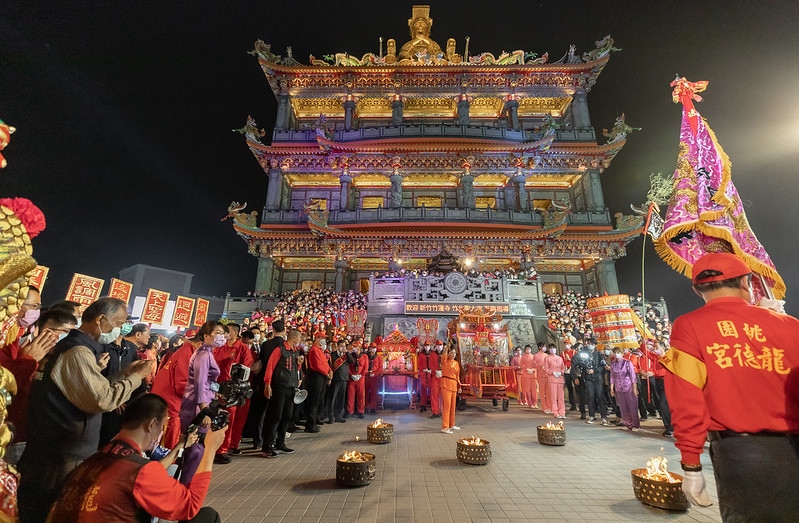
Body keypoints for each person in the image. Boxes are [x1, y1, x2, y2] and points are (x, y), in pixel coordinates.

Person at [660, 252, 799, 518]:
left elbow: (687, 400)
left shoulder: (689, 325)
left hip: (740, 452)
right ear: (746, 282)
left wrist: (691, 465)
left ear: (697, 290)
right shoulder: (791, 325)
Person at [18, 297, 154, 523]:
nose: (119, 329)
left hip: (57, 453)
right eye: (118, 323)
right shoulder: (77, 351)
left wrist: (124, 374)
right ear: (101, 320)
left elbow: (88, 389)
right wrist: (136, 379)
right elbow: (102, 400)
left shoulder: (80, 348)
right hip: (61, 458)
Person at [47, 394, 221, 523]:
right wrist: (210, 450)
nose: (160, 433)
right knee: (207, 517)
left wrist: (178, 448)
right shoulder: (140, 470)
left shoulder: (93, 460)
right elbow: (189, 506)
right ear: (151, 425)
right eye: (162, 426)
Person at [1, 308, 75, 465]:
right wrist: (27, 361)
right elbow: (10, 386)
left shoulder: (63, 357)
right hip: (16, 434)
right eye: (67, 332)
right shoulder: (16, 347)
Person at [178, 321, 223, 482]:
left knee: (196, 448)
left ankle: (186, 483)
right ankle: (184, 485)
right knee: (194, 448)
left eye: (222, 333)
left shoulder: (208, 353)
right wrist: (204, 410)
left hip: (203, 402)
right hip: (196, 406)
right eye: (217, 333)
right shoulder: (203, 355)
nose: (221, 336)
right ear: (206, 336)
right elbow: (199, 382)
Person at [151, 329, 201, 449]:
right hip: (170, 406)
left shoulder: (186, 351)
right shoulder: (187, 354)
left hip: (167, 402)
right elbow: (183, 385)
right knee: (167, 445)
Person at [99, 323, 148, 447]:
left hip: (125, 403)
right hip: (105, 402)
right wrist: (116, 395)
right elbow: (98, 378)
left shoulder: (130, 349)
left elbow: (134, 373)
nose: (126, 325)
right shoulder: (102, 346)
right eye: (121, 322)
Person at [260, 328, 302, 458]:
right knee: (275, 416)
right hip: (279, 387)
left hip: (291, 388)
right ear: (293, 338)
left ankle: (280, 442)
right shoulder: (279, 349)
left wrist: (299, 365)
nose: (300, 340)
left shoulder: (295, 351)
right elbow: (270, 367)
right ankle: (267, 445)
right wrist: (267, 384)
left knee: (286, 416)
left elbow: (294, 368)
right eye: (299, 337)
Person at [249, 320, 285, 449]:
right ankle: (272, 439)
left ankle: (257, 439)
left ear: (273, 330)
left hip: (263, 381)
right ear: (284, 330)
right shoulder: (284, 345)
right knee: (276, 413)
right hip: (279, 382)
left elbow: (262, 362)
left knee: (260, 412)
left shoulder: (266, 345)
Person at [571, 339, 608, 425]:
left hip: (598, 379)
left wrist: (594, 370)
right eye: (588, 344)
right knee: (590, 397)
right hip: (588, 379)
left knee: (600, 397)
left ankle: (604, 417)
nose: (589, 345)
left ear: (595, 345)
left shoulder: (599, 354)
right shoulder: (585, 354)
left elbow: (603, 367)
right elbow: (578, 363)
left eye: (591, 344)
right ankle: (591, 416)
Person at [643, 340, 673, 436]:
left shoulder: (668, 357)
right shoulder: (655, 357)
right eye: (654, 347)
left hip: (666, 382)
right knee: (660, 404)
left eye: (657, 347)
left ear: (663, 347)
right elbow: (644, 351)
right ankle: (668, 426)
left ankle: (670, 427)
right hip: (658, 382)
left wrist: (653, 373)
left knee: (664, 404)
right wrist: (643, 342)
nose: (655, 349)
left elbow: (666, 371)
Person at [304, 333, 331, 433]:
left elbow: (324, 363)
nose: (324, 340)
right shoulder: (314, 350)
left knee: (319, 399)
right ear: (318, 339)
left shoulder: (319, 350)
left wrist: (329, 371)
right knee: (314, 400)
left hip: (322, 376)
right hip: (317, 376)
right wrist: (327, 373)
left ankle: (315, 420)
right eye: (323, 338)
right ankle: (310, 424)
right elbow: (317, 365)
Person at [609, 347, 640, 431]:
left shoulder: (627, 363)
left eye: (618, 352)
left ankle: (635, 424)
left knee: (632, 406)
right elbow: (612, 377)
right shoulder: (613, 364)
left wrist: (635, 388)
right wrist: (611, 389)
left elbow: (633, 376)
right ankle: (627, 423)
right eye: (615, 353)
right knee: (623, 407)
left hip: (628, 386)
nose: (616, 354)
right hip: (619, 388)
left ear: (622, 353)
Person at [324, 339, 349, 423]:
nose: (343, 348)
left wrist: (347, 353)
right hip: (335, 379)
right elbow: (329, 366)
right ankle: (331, 416)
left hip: (344, 379)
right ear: (338, 347)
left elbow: (352, 361)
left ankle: (339, 415)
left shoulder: (346, 355)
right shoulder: (332, 355)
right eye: (341, 346)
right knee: (332, 398)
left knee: (341, 399)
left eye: (344, 346)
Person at [440, 348, 461, 434]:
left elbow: (457, 375)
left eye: (454, 353)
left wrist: (459, 386)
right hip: (446, 384)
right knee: (447, 406)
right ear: (448, 354)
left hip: (454, 385)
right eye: (451, 353)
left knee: (452, 406)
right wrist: (446, 348)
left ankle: (451, 424)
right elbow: (443, 356)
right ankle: (445, 427)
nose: (453, 354)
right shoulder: (445, 361)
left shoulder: (456, 363)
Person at [346, 342, 368, 419]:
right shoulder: (351, 356)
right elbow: (348, 366)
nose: (354, 348)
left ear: (359, 347)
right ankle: (350, 411)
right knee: (350, 395)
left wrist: (361, 375)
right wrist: (351, 375)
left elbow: (365, 367)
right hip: (352, 378)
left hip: (361, 378)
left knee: (361, 395)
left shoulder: (364, 356)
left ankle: (361, 411)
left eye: (355, 347)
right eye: (353, 347)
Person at [544, 345, 566, 419]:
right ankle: (556, 413)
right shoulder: (547, 358)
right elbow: (546, 368)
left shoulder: (560, 358)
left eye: (554, 348)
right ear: (549, 349)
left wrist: (561, 373)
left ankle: (562, 412)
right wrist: (552, 372)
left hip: (560, 379)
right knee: (553, 396)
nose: (552, 350)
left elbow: (563, 367)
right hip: (552, 379)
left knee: (561, 397)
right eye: (551, 348)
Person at [365, 342, 383, 414]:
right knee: (366, 392)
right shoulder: (366, 356)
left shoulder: (378, 357)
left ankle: (373, 407)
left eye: (374, 348)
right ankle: (366, 407)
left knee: (373, 392)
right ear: (369, 348)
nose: (373, 349)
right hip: (367, 376)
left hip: (374, 376)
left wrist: (376, 373)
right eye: (372, 348)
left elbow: (380, 367)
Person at [532, 343, 550, 412]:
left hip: (547, 375)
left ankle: (549, 406)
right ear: (540, 347)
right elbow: (533, 364)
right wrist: (540, 367)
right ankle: (544, 407)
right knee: (542, 392)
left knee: (548, 392)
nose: (544, 348)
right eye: (543, 347)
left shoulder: (547, 355)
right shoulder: (536, 356)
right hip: (541, 375)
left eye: (545, 347)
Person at [428, 341, 443, 418]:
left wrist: (444, 372)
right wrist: (435, 372)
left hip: (443, 377)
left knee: (444, 396)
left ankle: (444, 411)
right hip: (435, 377)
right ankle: (435, 411)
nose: (439, 346)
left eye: (440, 345)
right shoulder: (432, 355)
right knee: (434, 395)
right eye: (438, 345)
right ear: (436, 346)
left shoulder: (445, 355)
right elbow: (430, 365)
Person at [416, 342, 432, 412]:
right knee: (423, 390)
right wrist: (423, 369)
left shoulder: (432, 354)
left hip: (431, 374)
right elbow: (418, 364)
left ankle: (432, 404)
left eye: (428, 345)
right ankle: (423, 405)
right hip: (423, 374)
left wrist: (432, 369)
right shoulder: (421, 354)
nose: (427, 347)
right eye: (426, 346)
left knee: (432, 390)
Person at [561, 342, 577, 410]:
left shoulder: (574, 352)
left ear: (571, 345)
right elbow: (561, 362)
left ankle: (579, 404)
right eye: (565, 344)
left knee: (577, 387)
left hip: (573, 370)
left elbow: (576, 361)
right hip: (566, 371)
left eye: (568, 344)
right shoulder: (563, 353)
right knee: (569, 388)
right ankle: (572, 404)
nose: (566, 345)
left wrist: (569, 359)